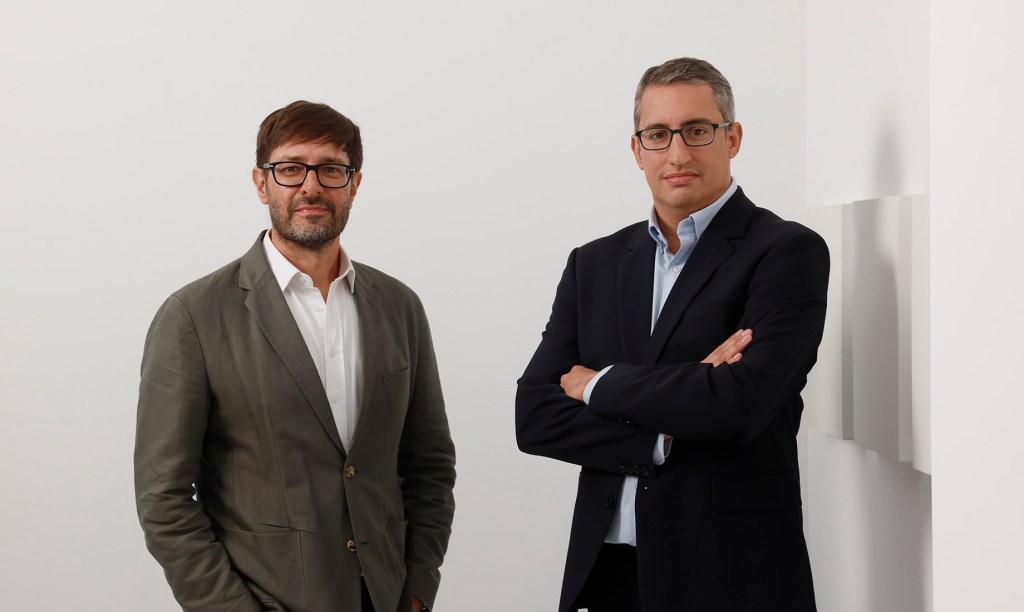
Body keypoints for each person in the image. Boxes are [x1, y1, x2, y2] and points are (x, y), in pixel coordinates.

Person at [516, 58, 827, 611]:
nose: (677, 153)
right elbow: (535, 416)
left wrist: (597, 385)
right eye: (658, 134)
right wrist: (666, 429)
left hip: (732, 573)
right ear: (637, 150)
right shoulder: (594, 264)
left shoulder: (785, 252)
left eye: (697, 130)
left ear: (732, 138)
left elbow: (740, 404)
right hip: (611, 571)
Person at [135, 101, 455, 612]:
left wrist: (416, 589)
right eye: (290, 169)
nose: (311, 186)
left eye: (331, 169)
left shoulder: (400, 307)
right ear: (262, 184)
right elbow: (163, 498)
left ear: (354, 184)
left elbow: (430, 465)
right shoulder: (193, 316)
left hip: (385, 596)